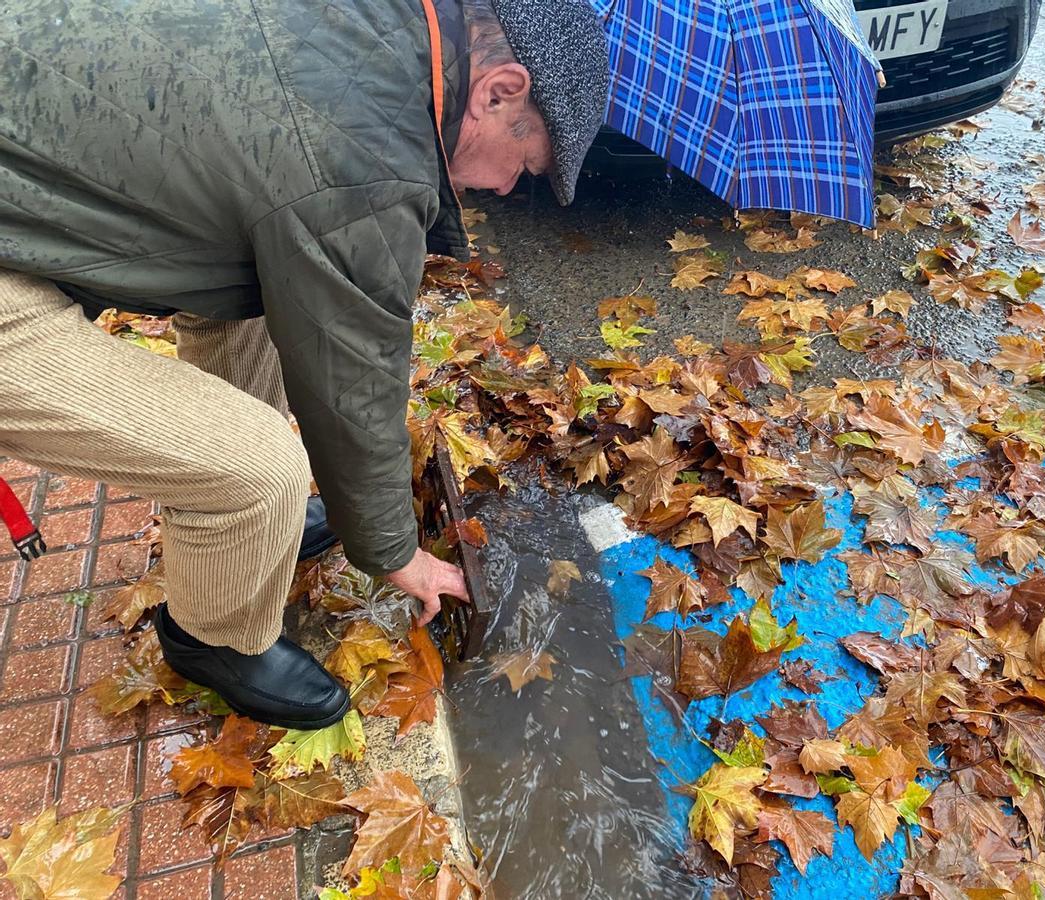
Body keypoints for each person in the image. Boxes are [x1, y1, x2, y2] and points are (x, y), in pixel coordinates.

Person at [0, 0, 609, 729]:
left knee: (262, 290)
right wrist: (391, 551)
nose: (510, 189)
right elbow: (356, 373)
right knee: (264, 470)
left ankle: (231, 523)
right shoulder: (362, 163)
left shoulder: (375, 28)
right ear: (499, 91)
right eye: (528, 162)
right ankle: (210, 635)